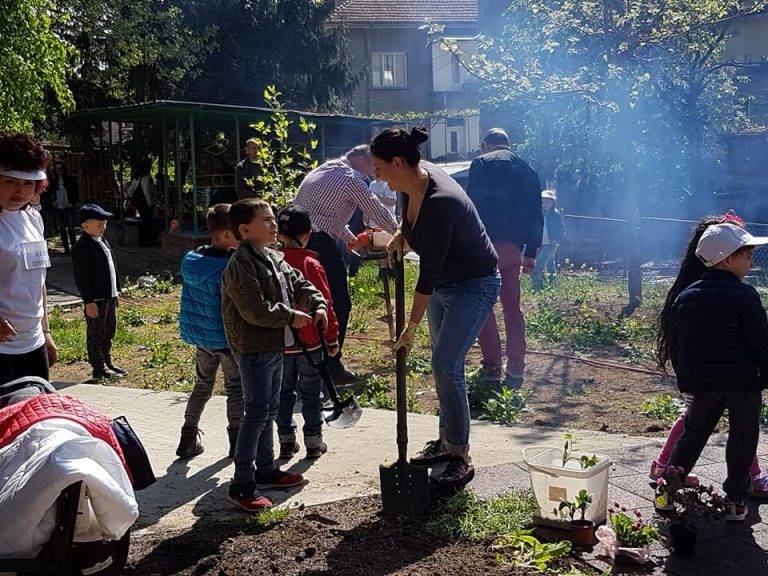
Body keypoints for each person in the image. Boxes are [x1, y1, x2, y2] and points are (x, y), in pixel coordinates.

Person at [373, 127, 500, 488]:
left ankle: (460, 454)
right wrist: (401, 234)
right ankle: (445, 442)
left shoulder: (441, 201)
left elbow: (426, 275)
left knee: (446, 363)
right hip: (445, 282)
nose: (376, 174)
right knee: (444, 365)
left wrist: (409, 328)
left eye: (379, 167)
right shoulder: (411, 183)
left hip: (473, 283)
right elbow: (413, 226)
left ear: (398, 163)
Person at [222, 198, 328, 512]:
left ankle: (265, 470)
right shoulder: (241, 264)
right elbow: (255, 310)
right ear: (244, 229)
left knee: (267, 411)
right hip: (253, 348)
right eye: (266, 220)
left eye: (273, 219)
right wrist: (291, 316)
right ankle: (241, 485)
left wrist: (317, 303)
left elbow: (299, 283)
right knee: (255, 415)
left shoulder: (272, 256)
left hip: (273, 346)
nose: (273, 225)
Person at [658, 222, 768, 522]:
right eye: (746, 256)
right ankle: (735, 499)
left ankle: (667, 489)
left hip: (705, 385)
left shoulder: (687, 297)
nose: (750, 261)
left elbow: (679, 344)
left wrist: (687, 379)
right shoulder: (746, 296)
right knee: (743, 438)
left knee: (693, 434)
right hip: (744, 384)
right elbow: (760, 341)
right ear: (726, 259)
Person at [295, 145, 398, 383]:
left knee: (309, 302)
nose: (373, 173)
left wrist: (353, 241)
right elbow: (376, 210)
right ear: (362, 159)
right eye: (373, 166)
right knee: (339, 304)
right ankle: (331, 367)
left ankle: (308, 365)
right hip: (320, 244)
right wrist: (404, 233)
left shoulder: (326, 169)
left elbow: (327, 218)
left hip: (299, 243)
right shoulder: (350, 177)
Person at [467, 128, 543, 389]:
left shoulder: (480, 164)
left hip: (485, 247)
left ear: (486, 145)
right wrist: (531, 253)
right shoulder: (527, 169)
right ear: (508, 144)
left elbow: (472, 207)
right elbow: (536, 213)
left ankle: (491, 365)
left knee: (483, 306)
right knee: (513, 309)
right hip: (513, 249)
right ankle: (516, 369)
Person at [176, 204, 243, 460]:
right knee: (235, 389)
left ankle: (188, 436)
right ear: (227, 235)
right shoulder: (229, 267)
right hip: (227, 339)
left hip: (203, 339)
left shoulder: (192, 261)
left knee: (202, 386)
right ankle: (236, 443)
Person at [276, 205, 340, 460]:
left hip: (281, 342)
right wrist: (332, 338)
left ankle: (285, 440)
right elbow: (326, 302)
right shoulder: (311, 263)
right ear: (307, 234)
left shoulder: (273, 262)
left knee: (283, 392)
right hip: (311, 341)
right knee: (312, 391)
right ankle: (314, 441)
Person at [0, 133, 58, 385]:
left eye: (28, 183)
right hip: (2, 350)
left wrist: (46, 332)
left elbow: (39, 280)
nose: (20, 191)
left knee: (33, 418)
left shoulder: (33, 218)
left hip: (32, 343)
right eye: (11, 181)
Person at [72, 203, 126, 382]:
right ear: (85, 226)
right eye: (98, 224)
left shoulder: (102, 241)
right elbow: (82, 276)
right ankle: (98, 367)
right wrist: (88, 300)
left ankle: (107, 361)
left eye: (104, 224)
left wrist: (116, 291)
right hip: (96, 299)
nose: (103, 227)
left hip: (108, 296)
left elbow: (112, 268)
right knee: (96, 332)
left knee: (109, 330)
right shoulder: (83, 247)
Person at [532, 189, 566, 291]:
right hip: (542, 242)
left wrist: (555, 239)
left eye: (547, 202)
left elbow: (561, 230)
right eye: (543, 202)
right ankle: (551, 285)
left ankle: (537, 288)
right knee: (550, 263)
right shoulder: (539, 214)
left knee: (538, 264)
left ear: (552, 203)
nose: (545, 204)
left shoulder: (556, 215)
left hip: (551, 243)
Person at [47, 161, 80, 254]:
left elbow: (76, 193)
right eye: (57, 168)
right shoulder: (54, 182)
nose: (59, 170)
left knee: (70, 228)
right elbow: (50, 194)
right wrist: (53, 202)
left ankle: (74, 247)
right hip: (59, 208)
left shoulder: (70, 180)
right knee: (62, 229)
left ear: (64, 169)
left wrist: (72, 203)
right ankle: (66, 249)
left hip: (68, 207)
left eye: (61, 168)